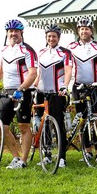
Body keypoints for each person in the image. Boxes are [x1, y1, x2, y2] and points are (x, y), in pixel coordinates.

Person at [0, 19, 38, 169]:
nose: (13, 34)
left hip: (23, 91)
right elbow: (1, 68)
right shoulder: (4, 50)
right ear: (7, 33)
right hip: (7, 92)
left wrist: (21, 89)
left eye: (16, 31)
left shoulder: (28, 50)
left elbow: (33, 74)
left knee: (24, 126)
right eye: (10, 31)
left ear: (21, 33)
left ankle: (23, 161)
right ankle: (16, 157)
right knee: (2, 127)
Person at [66, 17, 97, 165]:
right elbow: (68, 66)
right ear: (78, 31)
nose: (84, 31)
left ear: (92, 31)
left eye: (87, 29)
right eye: (81, 29)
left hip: (94, 86)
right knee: (83, 120)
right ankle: (87, 151)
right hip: (78, 86)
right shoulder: (71, 46)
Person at [33, 24, 72, 168]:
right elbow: (39, 73)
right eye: (49, 36)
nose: (51, 38)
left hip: (57, 93)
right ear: (46, 37)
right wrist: (34, 85)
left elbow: (68, 70)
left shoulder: (65, 53)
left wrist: (65, 85)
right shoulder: (41, 52)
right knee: (44, 125)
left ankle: (62, 157)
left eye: (54, 36)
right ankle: (47, 154)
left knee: (58, 124)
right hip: (42, 93)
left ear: (58, 38)